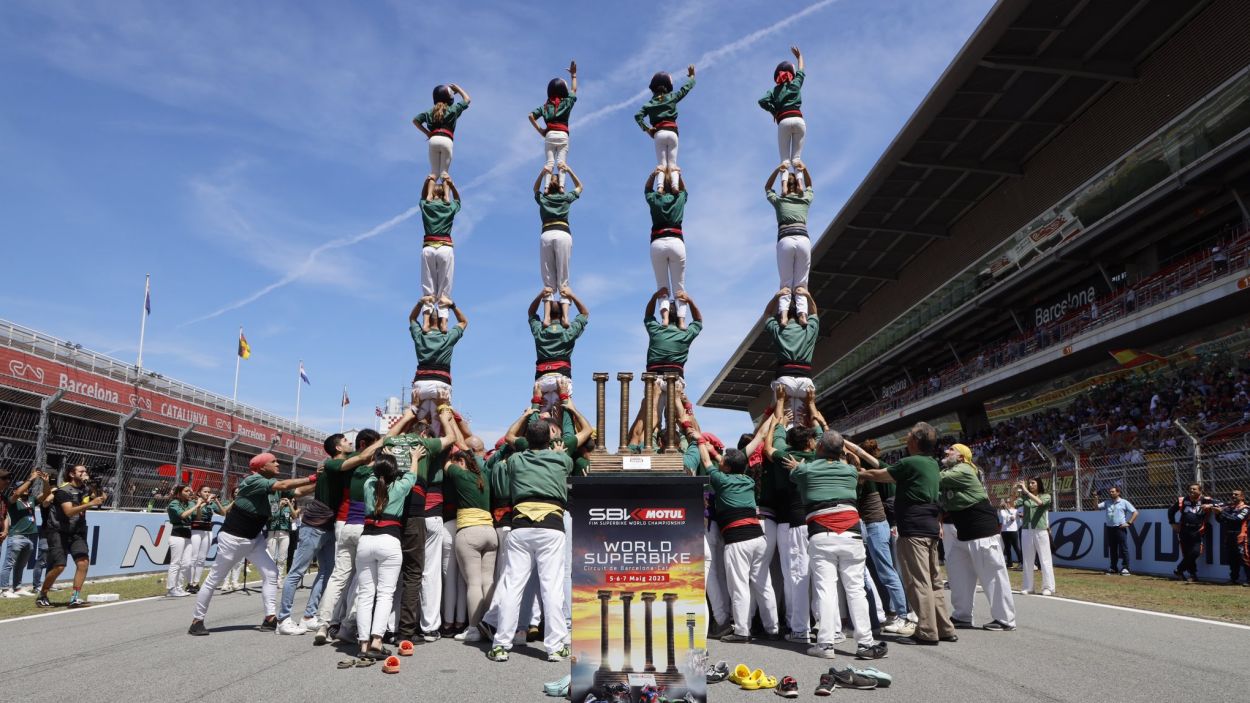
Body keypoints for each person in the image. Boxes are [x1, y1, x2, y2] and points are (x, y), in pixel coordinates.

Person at [850, 423, 957, 646]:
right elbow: (882, 466)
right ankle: (944, 627)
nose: (906, 439)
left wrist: (854, 471)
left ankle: (926, 630)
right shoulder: (931, 463)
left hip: (913, 527)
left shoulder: (910, 462)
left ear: (916, 441)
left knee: (917, 580)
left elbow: (880, 474)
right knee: (934, 580)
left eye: (908, 435)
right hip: (929, 526)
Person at [188, 454, 316, 635]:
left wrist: (325, 481)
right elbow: (284, 485)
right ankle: (196, 621)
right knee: (214, 579)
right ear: (262, 467)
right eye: (273, 461)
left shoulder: (273, 483)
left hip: (254, 539)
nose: (278, 464)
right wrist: (313, 477)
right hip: (234, 538)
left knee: (271, 573)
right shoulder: (254, 480)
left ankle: (270, 618)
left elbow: (299, 492)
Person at [486, 416, 575, 663]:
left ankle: (501, 644)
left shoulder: (515, 459)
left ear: (527, 440)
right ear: (549, 439)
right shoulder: (562, 459)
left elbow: (509, 436)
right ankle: (555, 647)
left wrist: (526, 415)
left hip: (521, 525)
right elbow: (569, 454)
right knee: (552, 587)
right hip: (551, 526)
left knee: (512, 587)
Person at [687, 416, 778, 644]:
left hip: (737, 541)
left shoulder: (719, 479)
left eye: (723, 459)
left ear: (726, 466)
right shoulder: (746, 478)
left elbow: (707, 460)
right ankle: (772, 628)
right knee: (763, 584)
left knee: (739, 587)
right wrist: (771, 421)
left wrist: (699, 440)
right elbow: (756, 441)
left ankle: (742, 631)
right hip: (758, 537)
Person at [354, 443, 430, 661]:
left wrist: (383, 458)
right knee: (386, 594)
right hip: (390, 540)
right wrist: (414, 457)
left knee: (366, 594)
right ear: (394, 472)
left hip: (366, 540)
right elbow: (412, 475)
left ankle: (363, 643)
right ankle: (378, 641)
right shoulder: (400, 486)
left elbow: (373, 472)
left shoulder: (369, 484)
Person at [937, 444, 1016, 632]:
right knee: (958, 576)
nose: (946, 452)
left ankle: (1005, 619)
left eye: (951, 450)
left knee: (993, 575)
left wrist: (921, 468)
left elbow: (934, 479)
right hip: (962, 530)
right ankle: (962, 615)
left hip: (981, 530)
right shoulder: (952, 471)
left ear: (962, 457)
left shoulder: (964, 469)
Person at [276, 433, 348, 636]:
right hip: (313, 526)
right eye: (345, 441)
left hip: (329, 527)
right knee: (296, 572)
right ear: (338, 448)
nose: (350, 443)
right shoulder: (329, 468)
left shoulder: (334, 471)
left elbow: (306, 490)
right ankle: (283, 619)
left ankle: (309, 616)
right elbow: (299, 492)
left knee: (327, 571)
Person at [446, 445, 497, 641]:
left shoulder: (459, 474)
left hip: (469, 531)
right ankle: (491, 625)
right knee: (488, 581)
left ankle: (474, 628)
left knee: (474, 583)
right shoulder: (484, 476)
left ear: (461, 463)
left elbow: (446, 464)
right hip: (490, 533)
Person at [37, 465, 107, 608]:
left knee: (83, 562)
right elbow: (69, 512)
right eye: (81, 471)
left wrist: (97, 486)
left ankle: (75, 597)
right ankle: (43, 594)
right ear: (71, 474)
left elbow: (103, 498)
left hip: (77, 532)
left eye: (85, 471)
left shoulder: (85, 489)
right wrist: (91, 504)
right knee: (59, 566)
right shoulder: (63, 491)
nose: (84, 473)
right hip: (58, 531)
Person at [410, 295, 468, 436]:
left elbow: (412, 319)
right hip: (441, 384)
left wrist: (421, 302)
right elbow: (464, 322)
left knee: (419, 423)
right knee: (440, 424)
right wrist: (452, 304)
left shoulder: (420, 336)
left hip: (421, 385)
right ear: (442, 320)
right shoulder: (447, 337)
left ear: (427, 322)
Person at [533, 165, 584, 326]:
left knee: (548, 280)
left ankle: (547, 317)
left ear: (548, 185)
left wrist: (542, 173)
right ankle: (566, 317)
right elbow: (580, 187)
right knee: (564, 279)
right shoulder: (565, 197)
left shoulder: (544, 198)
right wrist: (568, 170)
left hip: (546, 234)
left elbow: (535, 189)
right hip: (563, 233)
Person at [764, 163, 814, 325]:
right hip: (803, 239)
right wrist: (804, 169)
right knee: (801, 282)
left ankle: (784, 315)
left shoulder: (779, 200)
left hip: (785, 239)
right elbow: (810, 185)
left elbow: (767, 188)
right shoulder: (805, 199)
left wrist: (777, 170)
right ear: (797, 185)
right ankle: (802, 315)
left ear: (785, 185)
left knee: (786, 282)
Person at [528, 285, 589, 417]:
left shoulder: (541, 331)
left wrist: (541, 295)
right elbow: (584, 313)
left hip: (542, 381)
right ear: (563, 316)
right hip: (561, 379)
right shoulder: (568, 332)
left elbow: (531, 313)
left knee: (541, 420)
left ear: (548, 315)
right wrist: (571, 295)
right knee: (562, 416)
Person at [635, 65, 695, 190]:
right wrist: (692, 77)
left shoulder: (650, 104)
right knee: (672, 164)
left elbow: (638, 116)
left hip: (659, 134)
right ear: (668, 86)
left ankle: (660, 187)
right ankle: (674, 186)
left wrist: (647, 129)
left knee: (662, 164)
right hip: (672, 133)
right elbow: (685, 89)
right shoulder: (672, 97)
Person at [765, 290, 820, 427]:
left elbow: (767, 314)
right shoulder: (809, 329)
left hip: (785, 381)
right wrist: (808, 295)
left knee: (778, 418)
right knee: (804, 420)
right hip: (805, 382)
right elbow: (814, 313)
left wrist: (777, 296)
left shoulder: (779, 329)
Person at [644, 170, 690, 325]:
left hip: (657, 243)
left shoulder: (655, 198)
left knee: (662, 286)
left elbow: (647, 190)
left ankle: (664, 319)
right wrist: (679, 176)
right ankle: (682, 321)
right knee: (679, 286)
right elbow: (684, 190)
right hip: (677, 241)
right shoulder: (679, 197)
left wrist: (653, 175)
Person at [417, 176, 462, 327]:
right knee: (445, 286)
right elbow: (458, 201)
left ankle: (426, 321)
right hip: (445, 248)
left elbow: (423, 198)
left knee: (428, 285)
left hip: (429, 247)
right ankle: (443, 321)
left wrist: (427, 182)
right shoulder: (448, 207)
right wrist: (451, 186)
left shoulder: (427, 206)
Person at [529, 61, 577, 188]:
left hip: (549, 135)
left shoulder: (545, 106)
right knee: (562, 162)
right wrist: (573, 75)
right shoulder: (567, 103)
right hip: (563, 134)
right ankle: (561, 187)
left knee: (549, 162)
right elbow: (574, 90)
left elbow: (531, 116)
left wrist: (541, 131)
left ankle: (546, 188)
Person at [1, 469, 47, 598]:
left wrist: (46, 483)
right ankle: (4, 589)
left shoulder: (31, 499)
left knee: (21, 564)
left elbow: (45, 496)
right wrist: (31, 479)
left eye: (28, 487)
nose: (26, 489)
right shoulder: (11, 500)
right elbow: (18, 493)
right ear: (15, 489)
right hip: (17, 536)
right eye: (22, 488)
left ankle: (17, 588)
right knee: (9, 564)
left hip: (31, 536)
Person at [759, 47, 806, 172]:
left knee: (784, 160)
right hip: (799, 120)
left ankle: (785, 187)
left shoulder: (774, 90)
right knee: (796, 158)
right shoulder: (795, 84)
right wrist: (799, 57)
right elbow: (801, 70)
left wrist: (774, 111)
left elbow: (762, 101)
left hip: (783, 122)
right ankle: (800, 183)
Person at [412, 83, 471, 180]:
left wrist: (427, 133)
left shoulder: (429, 112)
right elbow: (467, 99)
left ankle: (430, 194)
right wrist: (457, 88)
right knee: (444, 173)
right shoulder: (453, 109)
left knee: (434, 172)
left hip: (433, 140)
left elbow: (415, 121)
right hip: (447, 140)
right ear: (449, 98)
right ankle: (447, 195)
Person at [1168, 483, 1214, 584]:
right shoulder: (1183, 500)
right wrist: (1172, 523)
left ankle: (1179, 569)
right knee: (1187, 553)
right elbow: (1171, 511)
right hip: (1184, 530)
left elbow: (1221, 505)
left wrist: (1210, 505)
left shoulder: (1206, 500)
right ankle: (1193, 575)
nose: (1192, 491)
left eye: (1194, 489)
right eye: (1190, 489)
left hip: (1198, 530)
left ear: (1200, 491)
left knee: (1195, 552)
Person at [1016, 477, 1056, 595]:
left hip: (1040, 530)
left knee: (1045, 559)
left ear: (1039, 484)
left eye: (1033, 483)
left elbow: (1040, 502)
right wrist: (1014, 491)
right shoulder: (1025, 497)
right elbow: (1013, 503)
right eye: (1029, 483)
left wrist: (1026, 492)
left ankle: (1048, 587)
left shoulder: (1046, 496)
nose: (1030, 485)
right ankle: (1029, 587)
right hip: (1026, 530)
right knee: (1028, 560)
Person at [189, 486, 226, 592]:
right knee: (194, 557)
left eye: (209, 492)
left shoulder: (211, 503)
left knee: (201, 558)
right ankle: (190, 583)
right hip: (196, 530)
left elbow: (223, 513)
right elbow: (197, 516)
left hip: (207, 531)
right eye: (205, 492)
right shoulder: (194, 502)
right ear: (199, 493)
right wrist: (206, 502)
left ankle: (196, 583)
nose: (207, 493)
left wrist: (217, 501)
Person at [1096, 486, 1138, 575]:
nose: (1111, 493)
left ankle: (1126, 568)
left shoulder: (1124, 502)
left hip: (1120, 528)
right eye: (1110, 492)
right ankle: (1113, 567)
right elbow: (1096, 507)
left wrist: (1129, 523)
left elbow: (1135, 512)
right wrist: (1096, 498)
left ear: (1118, 492)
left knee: (1123, 548)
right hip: (1110, 528)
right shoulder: (1107, 502)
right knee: (1113, 549)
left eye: (1113, 492)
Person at [165, 485, 198, 597]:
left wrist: (199, 506)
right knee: (176, 563)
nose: (190, 493)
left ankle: (179, 587)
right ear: (179, 493)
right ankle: (171, 589)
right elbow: (183, 515)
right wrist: (196, 505)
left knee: (186, 563)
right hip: (177, 535)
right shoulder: (174, 503)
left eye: (191, 491)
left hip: (188, 535)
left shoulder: (190, 503)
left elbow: (197, 518)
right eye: (186, 491)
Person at [1214, 489, 1248, 585]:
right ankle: (1233, 579)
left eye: (1236, 494)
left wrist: (1222, 512)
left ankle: (1249, 580)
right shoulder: (1230, 508)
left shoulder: (1246, 508)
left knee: (1244, 558)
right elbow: (1221, 520)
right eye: (1232, 494)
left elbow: (1237, 520)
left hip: (1241, 536)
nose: (1233, 496)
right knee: (1232, 559)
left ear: (1242, 497)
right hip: (1229, 535)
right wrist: (1217, 514)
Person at [266, 495, 295, 580]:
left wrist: (290, 504)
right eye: (283, 499)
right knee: (271, 557)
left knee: (282, 558)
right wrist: (279, 506)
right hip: (272, 532)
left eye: (286, 499)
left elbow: (295, 516)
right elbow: (270, 517)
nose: (285, 500)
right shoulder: (274, 506)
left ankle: (279, 578)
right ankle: (270, 578)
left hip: (285, 533)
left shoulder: (288, 507)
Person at [997, 498, 1021, 569]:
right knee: (1007, 548)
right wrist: (1001, 506)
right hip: (1005, 531)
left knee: (1016, 547)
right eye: (1006, 502)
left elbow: (1017, 519)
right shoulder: (1002, 511)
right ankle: (1009, 563)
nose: (1008, 503)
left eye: (1009, 502)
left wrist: (1014, 517)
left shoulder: (1016, 511)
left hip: (1013, 531)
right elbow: (1005, 516)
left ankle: (1021, 562)